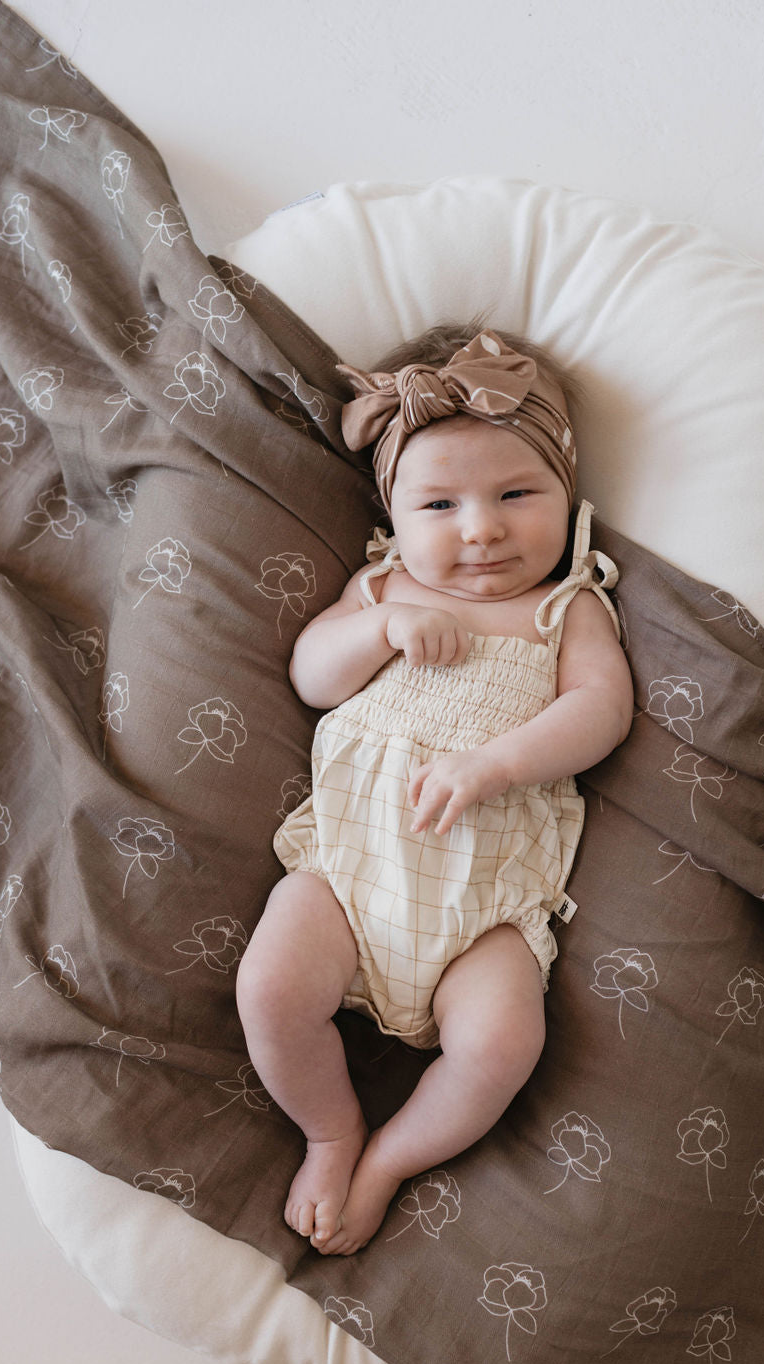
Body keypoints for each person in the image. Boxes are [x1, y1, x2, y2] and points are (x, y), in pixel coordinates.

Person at [236, 325, 635, 1255]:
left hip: (483, 909)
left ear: (568, 498)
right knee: (269, 986)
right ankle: (333, 1131)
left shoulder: (565, 607)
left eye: (516, 494)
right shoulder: (380, 587)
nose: (482, 528)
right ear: (396, 516)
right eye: (440, 503)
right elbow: (309, 673)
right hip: (345, 875)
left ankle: (390, 1159)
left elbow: (602, 710)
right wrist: (380, 630)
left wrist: (493, 765)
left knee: (501, 1047)